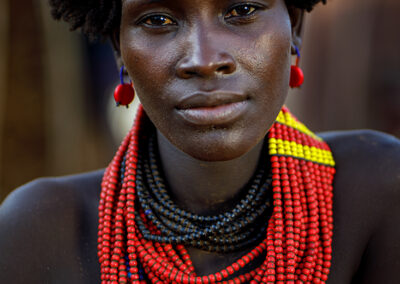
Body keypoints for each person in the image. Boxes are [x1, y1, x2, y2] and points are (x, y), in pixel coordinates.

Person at [0, 0, 399, 283]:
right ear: (119, 49)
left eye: (241, 10)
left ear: (294, 27)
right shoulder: (42, 232)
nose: (204, 58)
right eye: (158, 19)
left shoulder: (376, 192)